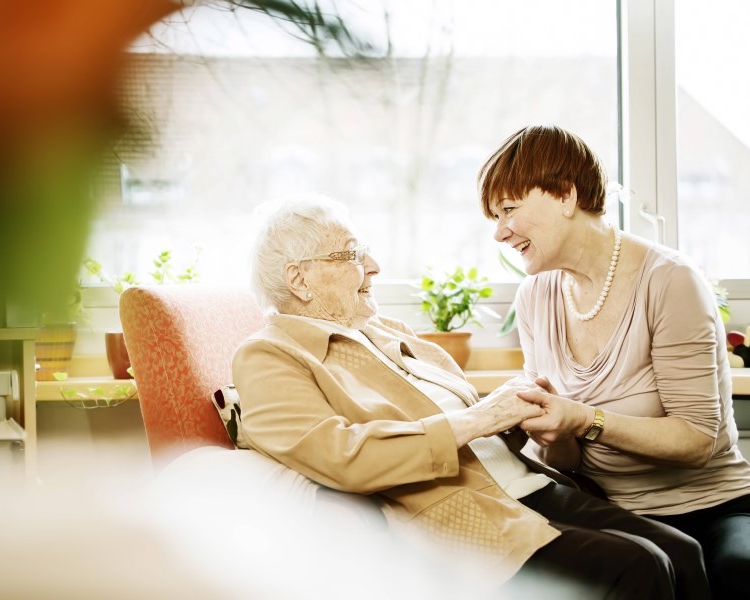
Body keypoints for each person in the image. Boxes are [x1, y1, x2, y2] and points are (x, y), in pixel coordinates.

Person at [232, 192, 710, 599]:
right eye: (353, 254)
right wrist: (482, 417)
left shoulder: (384, 330)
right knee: (639, 565)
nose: (374, 267)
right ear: (299, 280)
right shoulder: (268, 355)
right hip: (466, 515)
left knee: (683, 552)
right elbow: (340, 455)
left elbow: (463, 415)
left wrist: (514, 411)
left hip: (527, 485)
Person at [477, 124, 750, 599]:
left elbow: (698, 441)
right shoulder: (535, 296)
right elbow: (564, 460)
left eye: (510, 209)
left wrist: (583, 419)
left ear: (565, 195)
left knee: (736, 572)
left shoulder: (670, 281)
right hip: (607, 509)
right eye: (495, 217)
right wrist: (554, 433)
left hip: (711, 506)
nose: (500, 232)